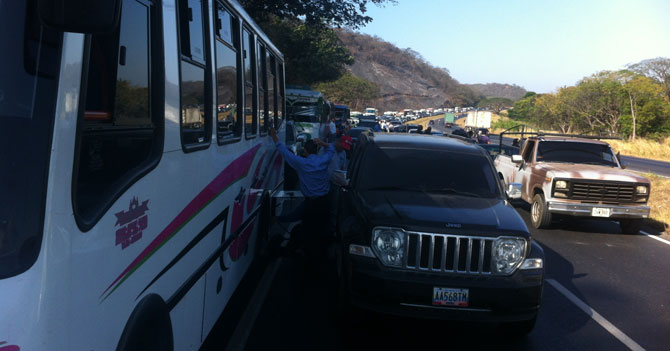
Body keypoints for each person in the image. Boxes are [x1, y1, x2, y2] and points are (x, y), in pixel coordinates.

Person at [270, 128, 334, 262]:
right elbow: (331, 149)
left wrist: (273, 135)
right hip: (325, 203)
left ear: (305, 151)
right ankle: (321, 257)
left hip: (311, 204)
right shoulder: (323, 161)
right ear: (316, 150)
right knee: (321, 231)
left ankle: (310, 259)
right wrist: (322, 142)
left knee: (308, 231)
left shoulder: (301, 163)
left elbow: (283, 151)